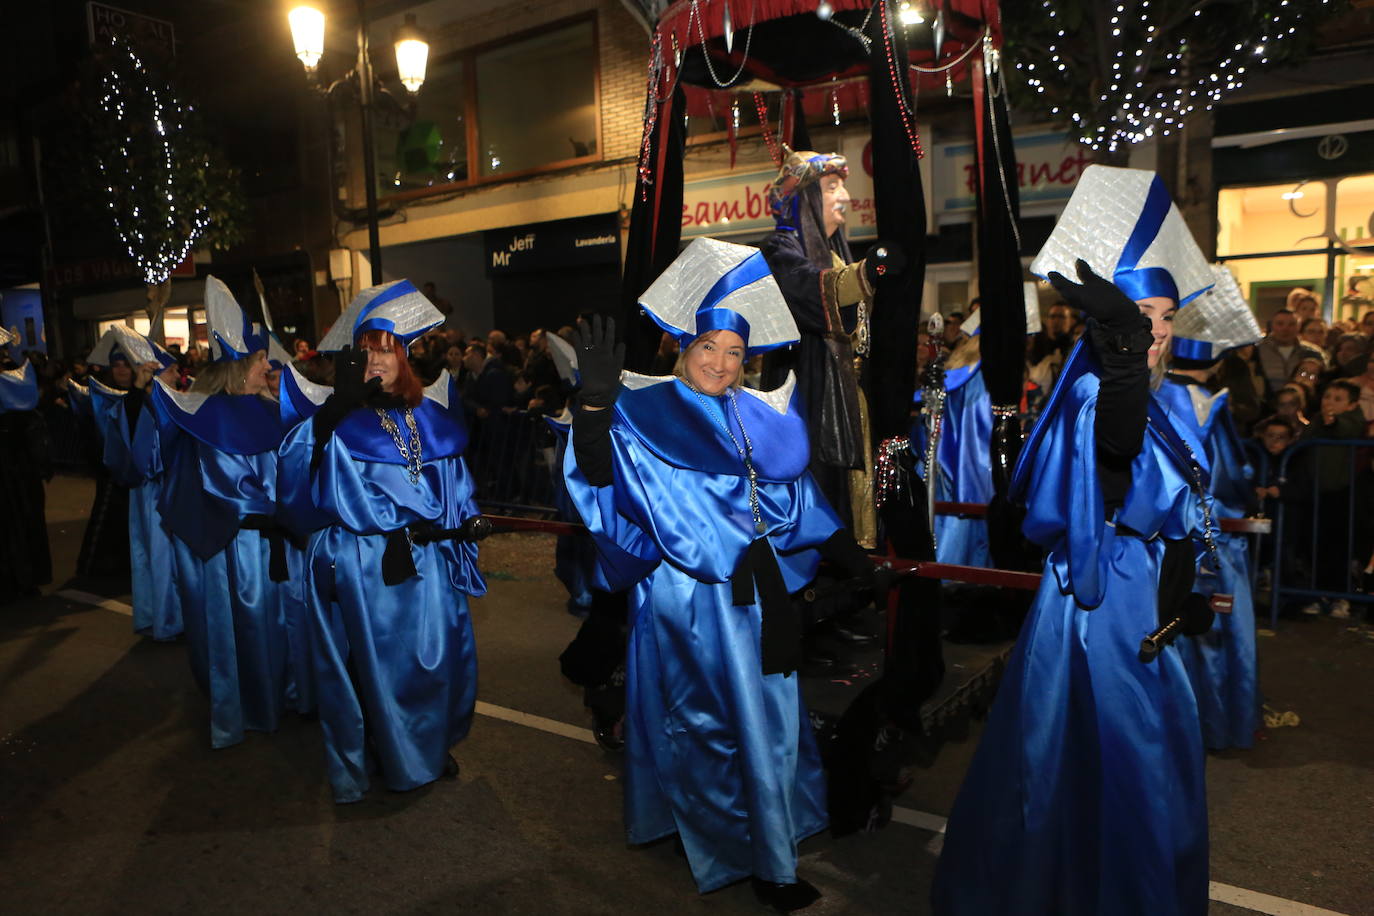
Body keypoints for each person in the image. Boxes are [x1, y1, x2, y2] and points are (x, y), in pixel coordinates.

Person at [933, 166, 1218, 915]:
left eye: (1160, 315)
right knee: (1116, 760)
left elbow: (1182, 506)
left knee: (1135, 764)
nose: (1153, 329)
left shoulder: (1171, 401)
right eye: (1136, 316)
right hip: (1102, 610)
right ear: (1106, 326)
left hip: (1147, 603)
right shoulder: (1099, 391)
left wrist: (1187, 587)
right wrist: (1121, 362)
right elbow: (1113, 462)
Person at [565, 239, 875, 910]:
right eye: (709, 347)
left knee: (772, 722)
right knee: (706, 726)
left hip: (763, 601)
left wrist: (856, 561)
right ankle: (754, 859)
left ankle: (755, 837)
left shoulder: (757, 415)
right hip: (689, 603)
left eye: (734, 352)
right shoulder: (645, 415)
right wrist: (593, 412)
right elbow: (600, 483)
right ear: (685, 346)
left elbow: (798, 505)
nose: (721, 363)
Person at [278, 279, 484, 804]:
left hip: (430, 561)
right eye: (367, 352)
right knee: (376, 665)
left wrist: (464, 531)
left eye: (385, 351)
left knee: (436, 660)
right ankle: (388, 753)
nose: (376, 363)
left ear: (404, 357)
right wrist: (328, 419)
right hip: (367, 563)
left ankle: (430, 745)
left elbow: (456, 489)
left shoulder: (432, 418)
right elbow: (300, 493)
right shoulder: (338, 422)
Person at [153, 277, 303, 746]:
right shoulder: (212, 416)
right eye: (262, 361)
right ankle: (252, 706)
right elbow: (231, 491)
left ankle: (283, 694)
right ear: (243, 365)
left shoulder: (270, 408)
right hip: (238, 549)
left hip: (272, 541)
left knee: (281, 622)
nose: (269, 368)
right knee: (245, 624)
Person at [756, 148, 904, 548]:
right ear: (804, 198)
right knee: (819, 506)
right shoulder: (779, 252)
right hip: (808, 403)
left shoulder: (839, 254)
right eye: (833, 187)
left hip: (849, 400)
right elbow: (807, 288)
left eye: (844, 186)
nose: (845, 197)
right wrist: (865, 275)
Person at [1159, 264, 1263, 751]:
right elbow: (1227, 478)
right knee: (1217, 632)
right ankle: (1217, 724)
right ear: (1216, 361)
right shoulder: (1209, 405)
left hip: (1162, 538)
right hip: (1211, 533)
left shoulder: (1153, 394)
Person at [0, 346, 52, 603]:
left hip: (19, 474)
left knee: (22, 523)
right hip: (16, 474)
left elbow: (32, 426)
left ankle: (25, 579)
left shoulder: (16, 385)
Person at [1255, 309, 1323, 398]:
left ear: (1299, 327)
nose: (1285, 329)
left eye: (1291, 324)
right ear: (1272, 326)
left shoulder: (1311, 352)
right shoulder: (1257, 350)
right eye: (1280, 324)